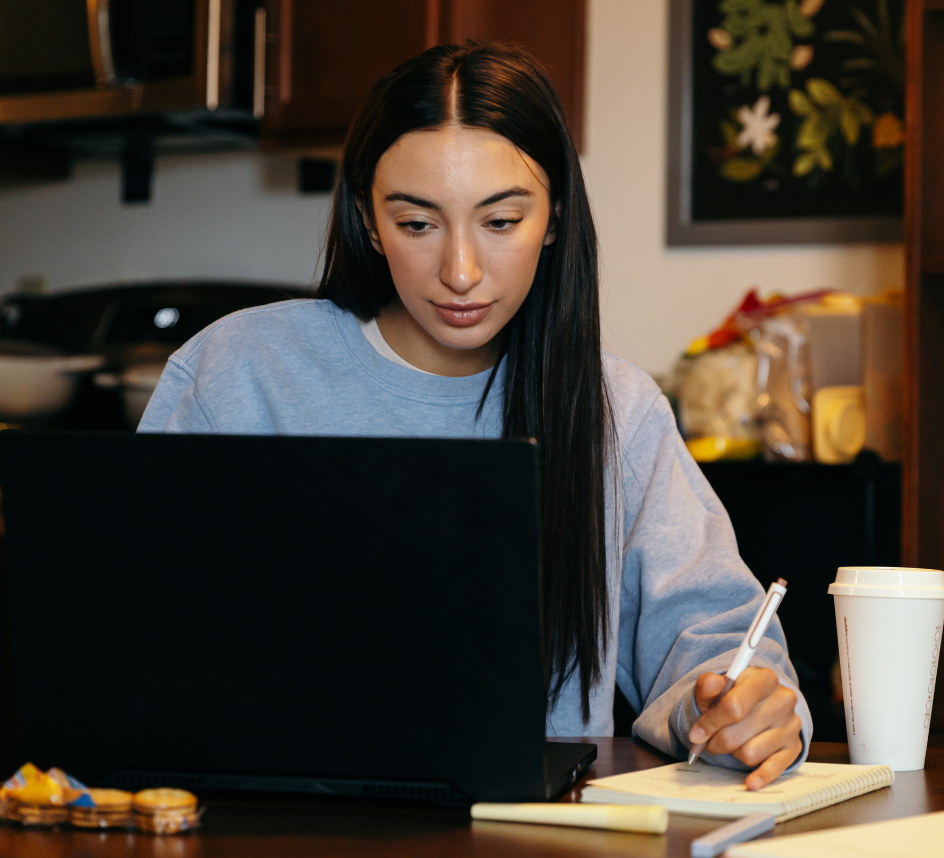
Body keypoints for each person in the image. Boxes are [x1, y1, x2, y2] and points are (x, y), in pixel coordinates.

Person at [139, 41, 812, 789]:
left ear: (553, 218)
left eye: (501, 221)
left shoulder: (615, 410)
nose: (460, 271)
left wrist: (733, 706)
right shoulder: (238, 373)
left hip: (527, 835)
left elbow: (713, 642)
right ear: (367, 220)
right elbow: (132, 641)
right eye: (418, 224)